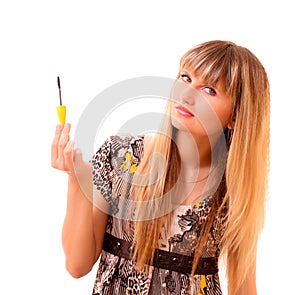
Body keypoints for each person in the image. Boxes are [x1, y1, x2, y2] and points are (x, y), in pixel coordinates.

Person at [51, 40, 270, 295]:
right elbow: (77, 265)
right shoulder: (122, 157)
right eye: (186, 78)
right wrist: (76, 180)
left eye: (209, 89)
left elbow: (245, 289)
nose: (187, 94)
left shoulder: (234, 191)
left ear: (235, 116)